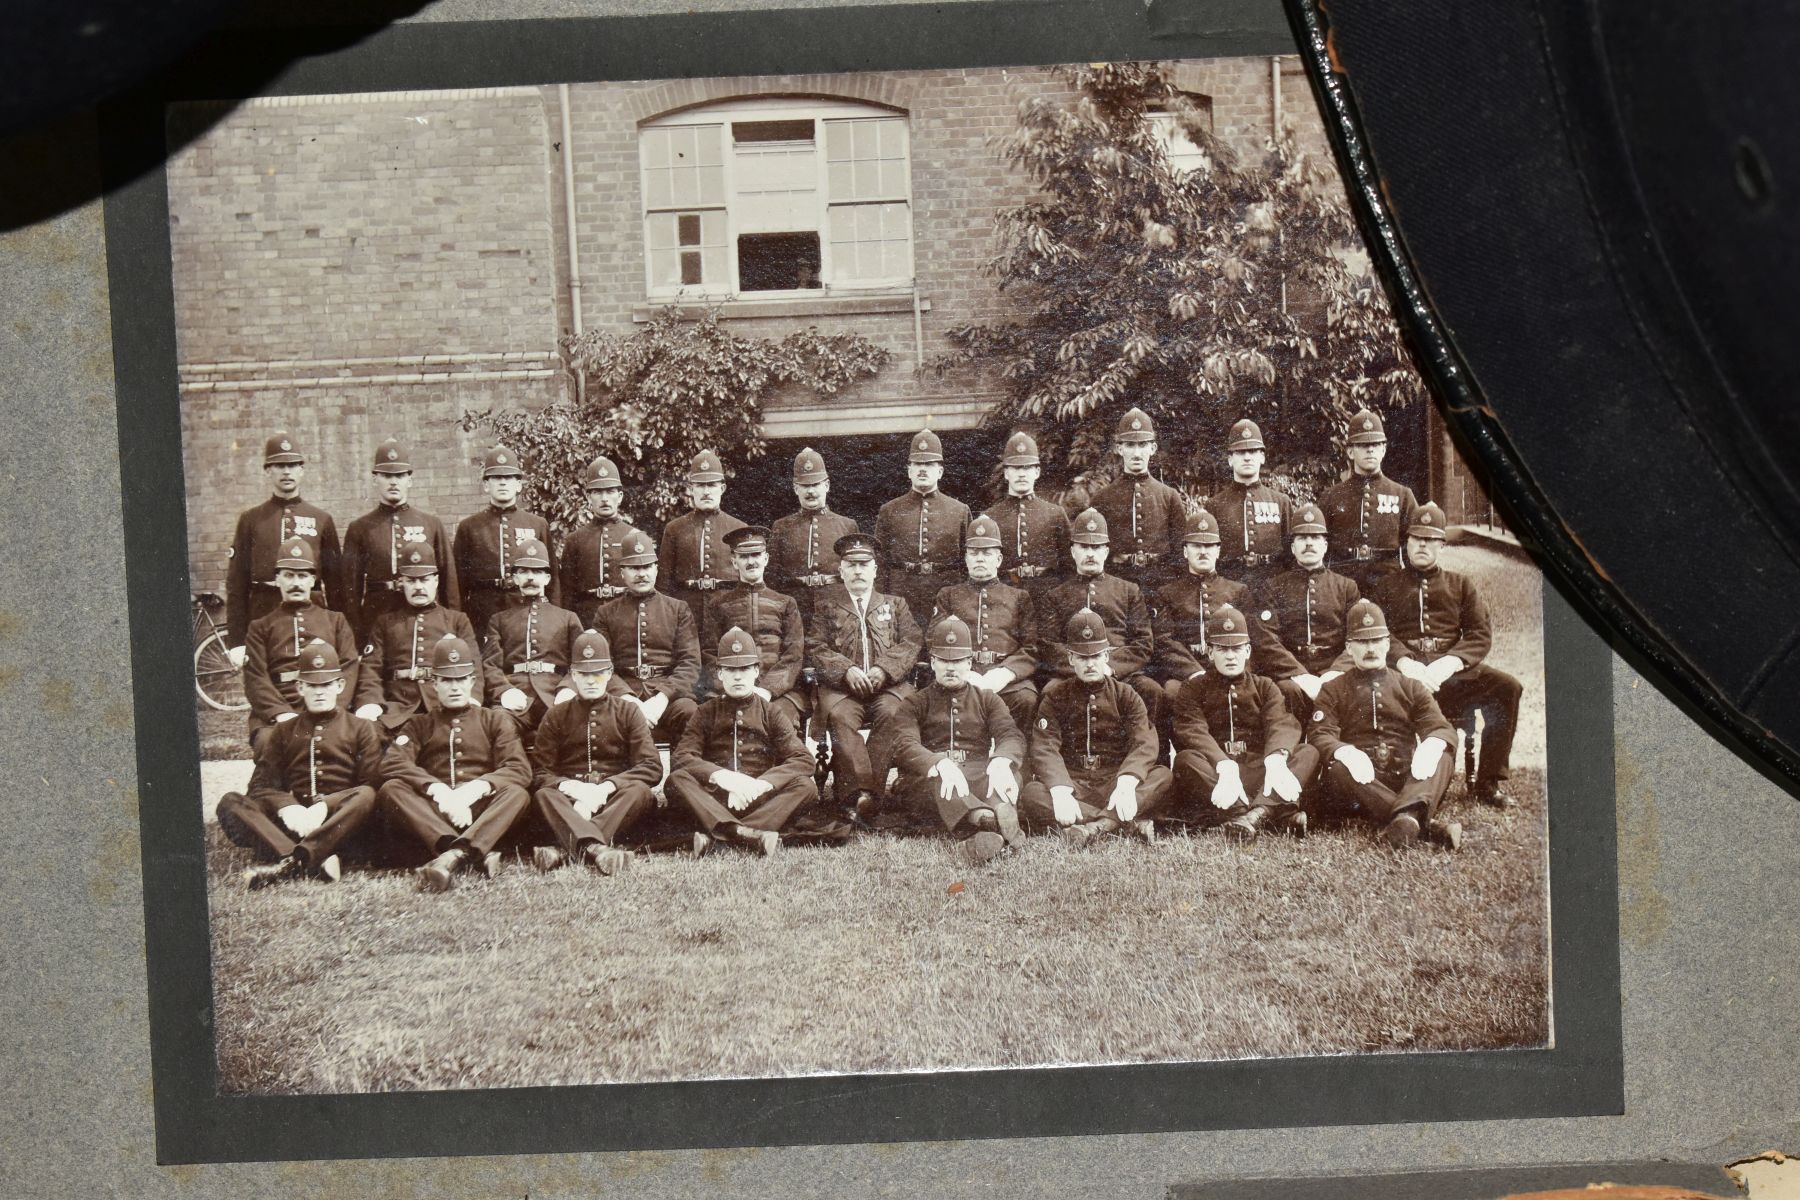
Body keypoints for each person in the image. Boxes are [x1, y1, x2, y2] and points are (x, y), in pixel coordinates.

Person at [1371, 502, 1523, 808]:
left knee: (1507, 687)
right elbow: (1380, 633)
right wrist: (1404, 662)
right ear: (1406, 541)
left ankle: (1488, 782)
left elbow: (1479, 634)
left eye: (1430, 540)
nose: (1422, 546)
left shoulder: (1461, 585)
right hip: (1405, 677)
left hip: (1453, 676)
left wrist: (1449, 662)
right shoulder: (1386, 587)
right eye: (1416, 539)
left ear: (1442, 544)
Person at [378, 635, 535, 891]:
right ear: (435, 684)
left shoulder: (493, 720)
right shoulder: (420, 724)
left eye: (461, 679)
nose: (454, 687)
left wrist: (475, 790)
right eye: (446, 680)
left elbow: (518, 769)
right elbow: (392, 763)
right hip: (434, 813)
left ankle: (451, 856)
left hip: (481, 811)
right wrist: (436, 790)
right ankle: (472, 851)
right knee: (391, 789)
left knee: (517, 794)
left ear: (472, 681)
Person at [220, 640, 381, 888]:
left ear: (339, 685)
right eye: (312, 685)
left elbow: (370, 784)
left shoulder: (361, 728)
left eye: (326, 684)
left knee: (367, 794)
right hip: (294, 825)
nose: (319, 692)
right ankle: (302, 856)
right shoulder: (284, 730)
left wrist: (325, 806)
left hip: (340, 827)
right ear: (299, 687)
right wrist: (288, 807)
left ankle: (293, 860)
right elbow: (261, 787)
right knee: (231, 802)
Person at [1307, 599, 1461, 849]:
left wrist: (1432, 743)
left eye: (1377, 640)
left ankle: (1405, 822)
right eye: (1362, 641)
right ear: (1348, 647)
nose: (1370, 648)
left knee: (1442, 755)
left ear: (1388, 644)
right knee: (1338, 769)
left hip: (1404, 778)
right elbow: (1320, 733)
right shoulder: (1332, 689)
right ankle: (1421, 822)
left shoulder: (1410, 686)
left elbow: (1440, 727)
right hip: (1360, 783)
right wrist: (1345, 751)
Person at [1020, 608, 1171, 846]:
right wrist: (1060, 790)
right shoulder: (1055, 696)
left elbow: (1144, 741)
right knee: (1033, 793)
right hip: (1075, 783)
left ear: (1107, 656)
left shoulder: (1126, 694)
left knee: (1162, 775)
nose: (1090, 664)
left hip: (1114, 781)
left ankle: (1095, 827)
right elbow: (1045, 745)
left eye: (1096, 656)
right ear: (1070, 659)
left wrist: (1127, 782)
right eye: (1082, 657)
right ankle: (1120, 823)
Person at [667, 626, 821, 858]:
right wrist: (724, 778)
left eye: (745, 668)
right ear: (719, 673)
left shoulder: (771, 712)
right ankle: (746, 834)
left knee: (806, 787)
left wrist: (760, 784)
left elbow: (802, 759)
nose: (738, 676)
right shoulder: (705, 712)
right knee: (676, 780)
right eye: (730, 669)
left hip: (760, 799)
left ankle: (720, 835)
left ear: (756, 671)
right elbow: (682, 757)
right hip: (717, 798)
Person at [887, 616, 1028, 866]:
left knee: (1006, 774)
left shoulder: (987, 699)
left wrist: (1001, 761)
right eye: (943, 660)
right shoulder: (914, 702)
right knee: (942, 785)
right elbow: (904, 743)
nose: (950, 668)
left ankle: (985, 832)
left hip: (976, 774)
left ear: (969, 663)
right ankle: (989, 819)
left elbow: (1010, 735)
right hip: (929, 780)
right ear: (932, 662)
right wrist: (938, 763)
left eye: (958, 661)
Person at [1170, 605, 1316, 842]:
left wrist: (1275, 760)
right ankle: (1272, 813)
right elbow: (1192, 729)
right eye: (1222, 649)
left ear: (1248, 651)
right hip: (1218, 775)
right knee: (1186, 760)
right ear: (1210, 652)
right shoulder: (1193, 688)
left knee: (1308, 752)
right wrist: (1222, 765)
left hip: (1260, 771)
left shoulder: (1264, 685)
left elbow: (1280, 723)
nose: (1230, 656)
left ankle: (1252, 816)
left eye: (1237, 648)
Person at [806, 532, 923, 822]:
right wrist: (846, 669)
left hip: (889, 688)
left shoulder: (895, 605)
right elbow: (815, 646)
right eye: (851, 565)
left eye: (864, 564)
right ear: (841, 570)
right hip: (843, 689)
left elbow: (911, 641)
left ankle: (868, 795)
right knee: (842, 717)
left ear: (875, 569)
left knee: (893, 712)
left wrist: (884, 668)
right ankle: (859, 794)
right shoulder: (827, 606)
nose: (858, 570)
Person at [528, 629, 655, 875]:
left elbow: (651, 766)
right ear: (573, 675)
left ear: (609, 673)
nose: (590, 680)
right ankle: (597, 850)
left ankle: (567, 849)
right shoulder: (556, 715)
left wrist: (606, 787)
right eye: (584, 674)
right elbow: (540, 771)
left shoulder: (628, 711)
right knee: (544, 795)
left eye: (597, 673)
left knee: (640, 791)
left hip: (613, 801)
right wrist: (571, 788)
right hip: (570, 803)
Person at [350, 543, 500, 733]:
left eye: (424, 580)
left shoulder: (456, 620)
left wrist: (472, 698)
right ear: (402, 582)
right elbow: (371, 669)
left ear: (436, 581)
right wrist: (370, 701)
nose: (418, 587)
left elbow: (474, 666)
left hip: (442, 706)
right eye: (411, 581)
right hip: (397, 708)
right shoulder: (385, 623)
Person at [1039, 508, 1164, 728]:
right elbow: (1049, 645)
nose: (1090, 554)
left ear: (1106, 551)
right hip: (1073, 673)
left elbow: (1144, 643)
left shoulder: (1128, 590)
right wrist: (1082, 668)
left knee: (1152, 690)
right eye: (1084, 547)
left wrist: (1109, 668)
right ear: (1072, 551)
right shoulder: (1055, 595)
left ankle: (1154, 759)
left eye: (1096, 547)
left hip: (1119, 673)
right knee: (1050, 690)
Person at [224, 430, 344, 659]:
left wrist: (339, 632)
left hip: (313, 616)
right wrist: (237, 641)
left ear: (302, 470)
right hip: (264, 614)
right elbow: (237, 584)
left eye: (292, 465)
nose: (286, 471)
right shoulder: (251, 520)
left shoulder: (321, 519)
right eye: (279, 465)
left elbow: (336, 585)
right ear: (268, 471)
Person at [1150, 506, 1277, 713]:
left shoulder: (1238, 591)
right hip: (1186, 673)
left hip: (1229, 670)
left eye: (1209, 545)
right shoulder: (1167, 593)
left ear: (1218, 550)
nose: (1202, 551)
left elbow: (1250, 639)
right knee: (1172, 691)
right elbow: (1164, 640)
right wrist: (1192, 672)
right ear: (1185, 551)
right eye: (1196, 545)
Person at [241, 539, 361, 753]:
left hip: (328, 705)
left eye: (302, 575)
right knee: (269, 743)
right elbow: (256, 679)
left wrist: (335, 708)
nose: (296, 583)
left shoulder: (335, 621)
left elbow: (349, 668)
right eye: (288, 575)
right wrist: (282, 714)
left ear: (313, 580)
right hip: (280, 708)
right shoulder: (260, 627)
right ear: (277, 579)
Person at [928, 513, 1040, 735]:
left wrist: (1004, 674)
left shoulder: (1019, 597)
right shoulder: (948, 595)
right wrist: (965, 673)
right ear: (966, 559)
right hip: (960, 674)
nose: (980, 559)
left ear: (998, 560)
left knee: (1026, 699)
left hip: (1005, 678)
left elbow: (1032, 646)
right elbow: (934, 639)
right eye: (974, 553)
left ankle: (1019, 768)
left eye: (987, 553)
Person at [341, 436, 458, 645]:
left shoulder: (431, 524)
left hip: (422, 616)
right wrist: (356, 636)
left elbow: (448, 583)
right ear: (375, 478)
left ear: (410, 480)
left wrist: (451, 626)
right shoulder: (360, 528)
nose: (393, 482)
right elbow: (351, 590)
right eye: (386, 475)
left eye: (399, 475)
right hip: (376, 614)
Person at [593, 528, 702, 747]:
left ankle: (683, 776)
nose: (641, 574)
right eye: (634, 568)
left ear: (656, 569)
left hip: (667, 694)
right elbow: (601, 665)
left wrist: (662, 698)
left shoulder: (678, 609)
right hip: (623, 693)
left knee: (689, 712)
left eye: (646, 567)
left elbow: (690, 663)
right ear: (622, 572)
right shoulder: (606, 613)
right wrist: (627, 698)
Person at [1258, 503, 1361, 718]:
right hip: (1292, 673)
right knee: (1287, 691)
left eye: (1315, 538)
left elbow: (1356, 636)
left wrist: (1335, 672)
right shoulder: (1274, 586)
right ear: (1293, 547)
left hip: (1333, 669)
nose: (1308, 543)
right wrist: (1300, 676)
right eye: (1302, 538)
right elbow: (1267, 639)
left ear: (1325, 545)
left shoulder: (1346, 587)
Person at [701, 526, 806, 727]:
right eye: (744, 556)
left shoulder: (786, 603)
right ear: (734, 561)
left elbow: (793, 656)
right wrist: (735, 689)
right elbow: (709, 654)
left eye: (756, 555)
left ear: (766, 558)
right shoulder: (718, 605)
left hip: (778, 693)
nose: (751, 562)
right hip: (732, 689)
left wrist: (767, 690)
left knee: (782, 724)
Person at [453, 444, 556, 644]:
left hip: (524, 607)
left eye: (508, 478)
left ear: (518, 485)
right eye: (496, 478)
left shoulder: (537, 524)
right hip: (483, 611)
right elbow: (458, 581)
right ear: (486, 485)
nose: (502, 483)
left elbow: (553, 580)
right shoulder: (469, 527)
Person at [482, 538, 584, 735]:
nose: (530, 577)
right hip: (516, 694)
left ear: (547, 578)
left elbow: (579, 661)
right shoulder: (499, 620)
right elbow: (490, 665)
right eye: (523, 572)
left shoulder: (567, 618)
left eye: (537, 571)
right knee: (498, 723)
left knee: (572, 724)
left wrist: (568, 689)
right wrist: (504, 690)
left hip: (554, 693)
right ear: (515, 578)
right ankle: (514, 767)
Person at [874, 427, 970, 624]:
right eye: (917, 464)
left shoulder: (959, 510)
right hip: (901, 592)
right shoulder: (889, 510)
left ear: (940, 471)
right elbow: (880, 562)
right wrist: (881, 599)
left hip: (944, 591)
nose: (923, 469)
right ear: (909, 471)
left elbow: (966, 562)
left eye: (929, 464)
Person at [1319, 408, 1421, 594]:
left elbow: (1413, 548)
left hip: (1388, 584)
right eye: (1363, 445)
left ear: (1384, 449)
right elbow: (1320, 547)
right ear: (1350, 452)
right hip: (1342, 584)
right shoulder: (1331, 496)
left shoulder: (1402, 495)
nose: (1370, 449)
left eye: (1375, 444)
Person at [1090, 406, 1186, 593]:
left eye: (1142, 445)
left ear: (1153, 448)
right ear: (1119, 448)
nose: (1136, 453)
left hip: (1160, 583)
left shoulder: (1169, 496)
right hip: (1117, 583)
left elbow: (1180, 552)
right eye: (1130, 445)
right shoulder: (1102, 499)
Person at [658, 448, 746, 629]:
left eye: (712, 485)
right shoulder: (675, 529)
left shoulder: (739, 529)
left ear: (722, 488)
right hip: (686, 615)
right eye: (700, 485)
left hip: (728, 614)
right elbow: (664, 584)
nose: (706, 491)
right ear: (691, 489)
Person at [769, 446, 859, 621]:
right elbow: (772, 577)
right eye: (804, 486)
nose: (810, 491)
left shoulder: (847, 526)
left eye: (815, 484)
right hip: (795, 610)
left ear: (826, 485)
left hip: (837, 609)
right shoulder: (781, 527)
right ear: (796, 488)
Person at [985, 431, 1070, 603]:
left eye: (1027, 467)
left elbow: (1068, 565)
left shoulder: (1055, 514)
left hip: (1047, 597)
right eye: (1016, 468)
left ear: (1037, 471)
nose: (1022, 474)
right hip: (1004, 597)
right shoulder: (990, 517)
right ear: (1007, 473)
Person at [1210, 418, 1292, 589]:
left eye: (1253, 451)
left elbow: (1291, 554)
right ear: (1230, 459)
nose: (1247, 457)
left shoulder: (1281, 502)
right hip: (1230, 587)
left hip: (1272, 587)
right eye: (1240, 452)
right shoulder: (1215, 505)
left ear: (1262, 457)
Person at [559, 453, 637, 629]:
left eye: (610, 491)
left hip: (626, 619)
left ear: (620, 496)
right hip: (588, 620)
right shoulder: (575, 540)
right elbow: (567, 593)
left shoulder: (634, 536)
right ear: (588, 497)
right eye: (598, 492)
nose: (604, 498)